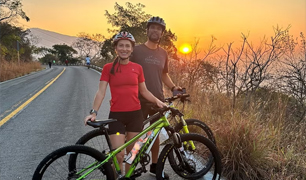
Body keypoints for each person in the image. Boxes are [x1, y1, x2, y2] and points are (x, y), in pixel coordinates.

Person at [84, 31, 167, 175]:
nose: (124, 49)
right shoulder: (108, 68)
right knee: (119, 155)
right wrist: (93, 112)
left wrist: (158, 101)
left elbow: (144, 91)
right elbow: (101, 92)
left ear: (132, 49)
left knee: (132, 155)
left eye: (127, 46)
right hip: (117, 117)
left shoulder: (137, 68)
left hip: (135, 116)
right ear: (116, 48)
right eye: (121, 45)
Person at [130, 16, 181, 178]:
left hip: (157, 99)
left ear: (161, 33)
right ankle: (129, 165)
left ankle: (154, 165)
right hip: (137, 99)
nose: (155, 30)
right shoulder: (136, 50)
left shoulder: (163, 54)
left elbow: (164, 74)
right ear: (147, 30)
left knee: (154, 135)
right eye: (152, 27)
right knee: (133, 134)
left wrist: (173, 87)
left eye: (158, 29)